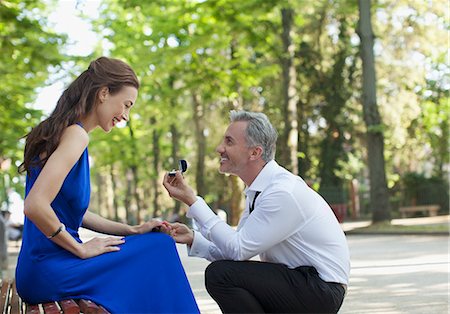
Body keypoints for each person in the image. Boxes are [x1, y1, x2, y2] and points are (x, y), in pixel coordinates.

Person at [16, 57, 199, 314]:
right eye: (126, 105)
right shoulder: (76, 135)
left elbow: (71, 213)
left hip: (44, 266)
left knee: (150, 244)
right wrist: (79, 248)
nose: (125, 116)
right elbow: (34, 205)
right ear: (103, 93)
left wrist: (132, 229)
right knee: (159, 248)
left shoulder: (66, 133)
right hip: (50, 268)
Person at [163, 110, 350, 313]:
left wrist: (192, 200)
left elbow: (237, 249)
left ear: (255, 152)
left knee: (221, 275)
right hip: (301, 282)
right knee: (226, 272)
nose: (219, 148)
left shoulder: (281, 192)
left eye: (229, 142)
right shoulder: (259, 191)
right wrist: (193, 238)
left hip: (320, 290)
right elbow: (234, 252)